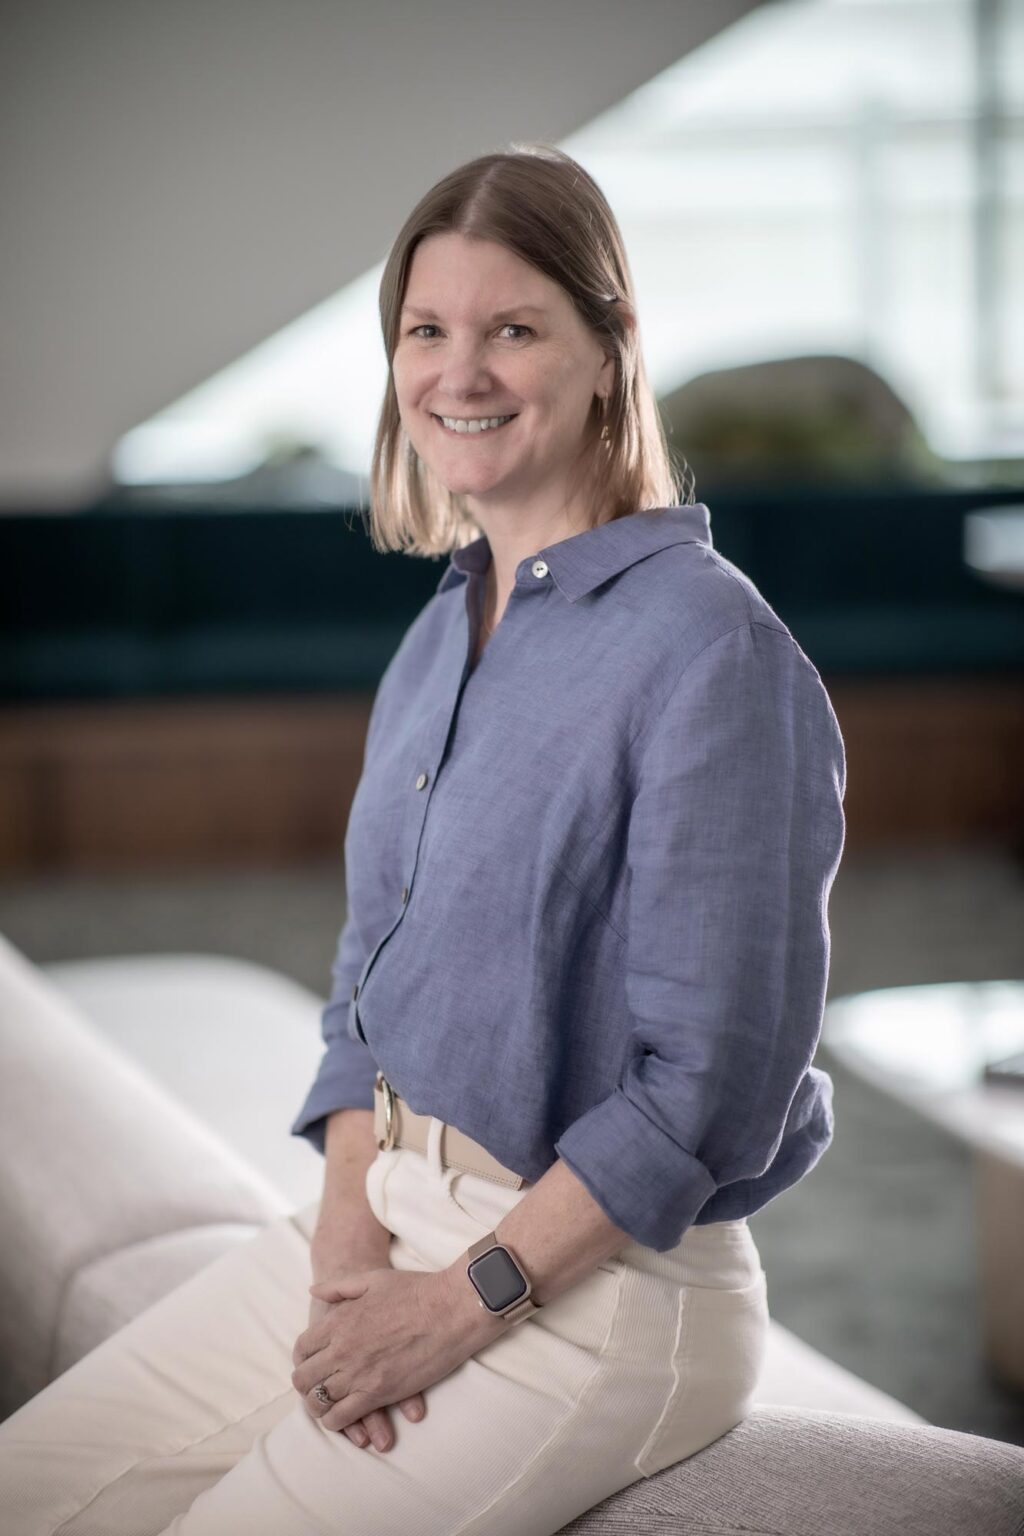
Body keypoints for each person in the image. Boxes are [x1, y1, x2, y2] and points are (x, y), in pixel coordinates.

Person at [0, 143, 846, 1535]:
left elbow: (712, 1085)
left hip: (592, 1296)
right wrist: (345, 1228)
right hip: (385, 1211)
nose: (461, 374)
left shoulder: (714, 654)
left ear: (608, 348)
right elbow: (366, 976)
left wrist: (462, 1303)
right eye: (426, 330)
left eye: (515, 328)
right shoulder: (443, 629)